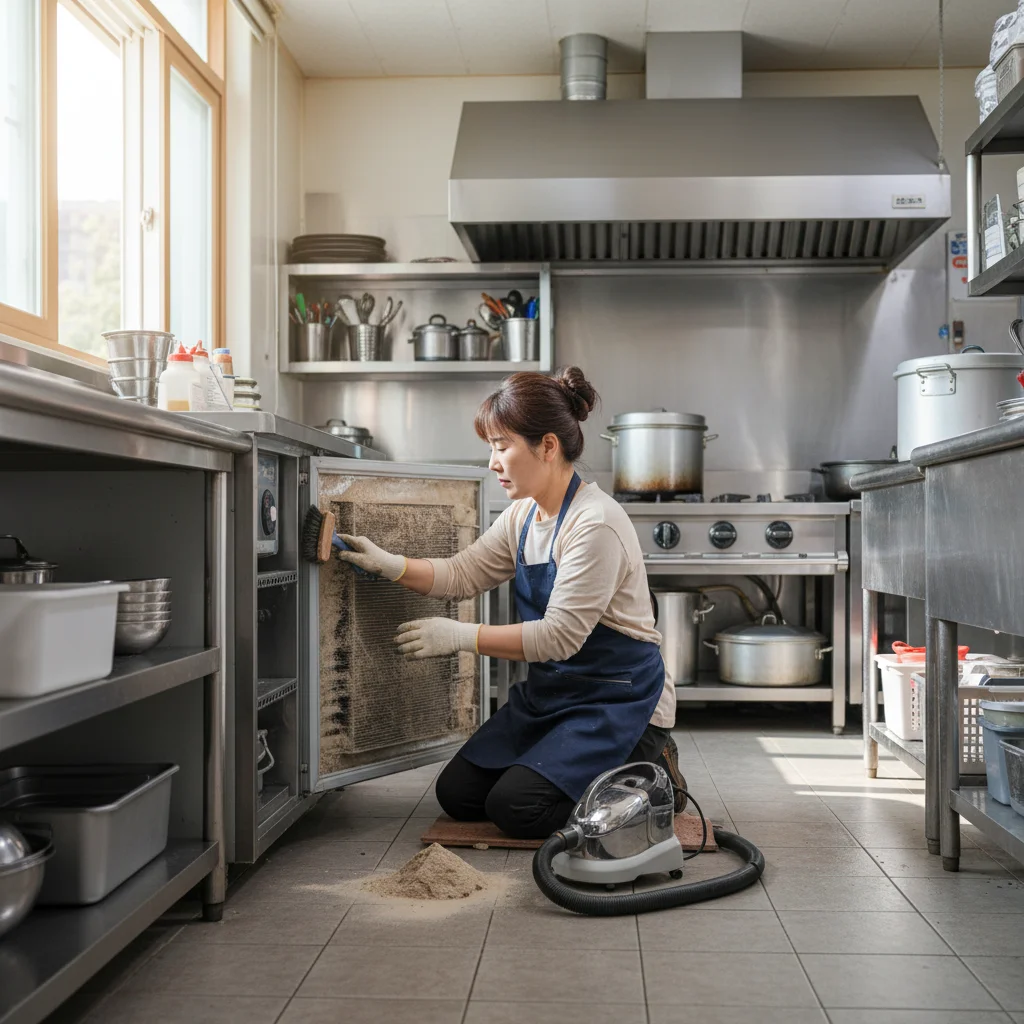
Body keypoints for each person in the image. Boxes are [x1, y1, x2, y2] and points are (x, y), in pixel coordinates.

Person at [337, 366, 686, 839]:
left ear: (548, 446)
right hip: (554, 694)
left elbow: (558, 638)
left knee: (518, 808)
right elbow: (463, 573)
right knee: (458, 795)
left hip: (618, 700)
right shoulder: (523, 515)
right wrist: (391, 564)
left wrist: (460, 636)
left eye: (502, 447)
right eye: (491, 448)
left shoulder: (594, 524)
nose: (492, 463)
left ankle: (655, 774)